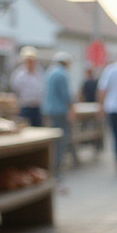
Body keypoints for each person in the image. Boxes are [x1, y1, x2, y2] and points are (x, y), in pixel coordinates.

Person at [43, 50, 74, 184]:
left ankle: (53, 168)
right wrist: (71, 109)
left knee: (54, 140)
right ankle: (56, 169)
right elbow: (66, 95)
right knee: (61, 140)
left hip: (49, 110)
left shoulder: (50, 72)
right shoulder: (61, 74)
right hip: (60, 111)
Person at [10, 46, 44, 126]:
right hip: (25, 106)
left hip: (37, 107)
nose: (31, 63)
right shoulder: (19, 75)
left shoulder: (38, 74)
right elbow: (16, 90)